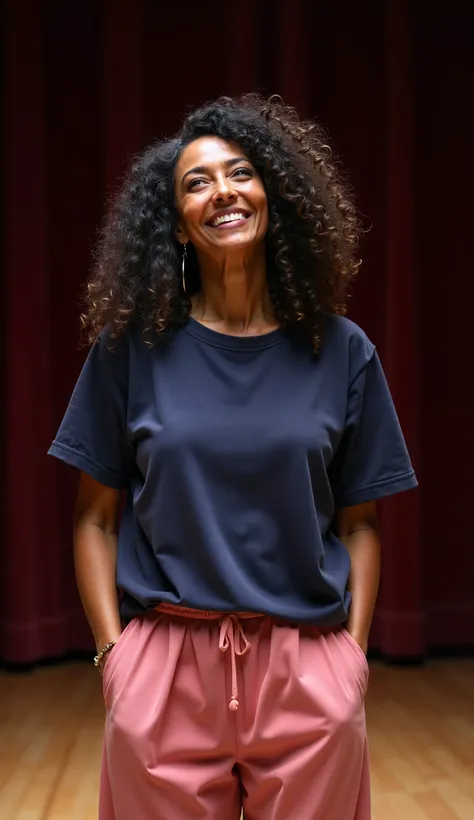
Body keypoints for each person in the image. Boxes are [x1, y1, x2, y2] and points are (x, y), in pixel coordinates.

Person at [48, 94, 417, 820]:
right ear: (177, 228)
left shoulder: (343, 351)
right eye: (196, 181)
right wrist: (113, 657)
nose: (222, 190)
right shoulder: (129, 352)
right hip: (166, 664)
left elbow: (361, 522)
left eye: (240, 172)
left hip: (306, 665)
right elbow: (95, 519)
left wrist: (352, 658)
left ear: (272, 196)